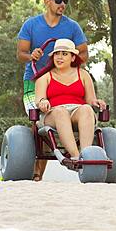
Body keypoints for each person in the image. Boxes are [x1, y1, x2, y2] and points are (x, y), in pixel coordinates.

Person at [17, 0, 88, 180]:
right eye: (58, 0)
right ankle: (37, 172)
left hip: (62, 82)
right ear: (47, 0)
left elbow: (83, 53)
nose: (63, 4)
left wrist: (68, 65)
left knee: (73, 115)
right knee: (38, 121)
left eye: (66, 0)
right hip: (34, 82)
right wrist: (31, 54)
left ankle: (84, 157)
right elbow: (20, 54)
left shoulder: (72, 27)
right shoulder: (31, 25)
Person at [35, 38, 106, 169]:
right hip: (53, 113)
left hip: (76, 111)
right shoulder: (45, 77)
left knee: (86, 109)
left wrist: (96, 102)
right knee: (61, 112)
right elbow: (39, 100)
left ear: (73, 58)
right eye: (57, 54)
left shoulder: (83, 75)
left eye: (64, 54)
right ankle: (76, 157)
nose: (59, 57)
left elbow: (90, 100)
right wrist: (43, 102)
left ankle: (87, 156)